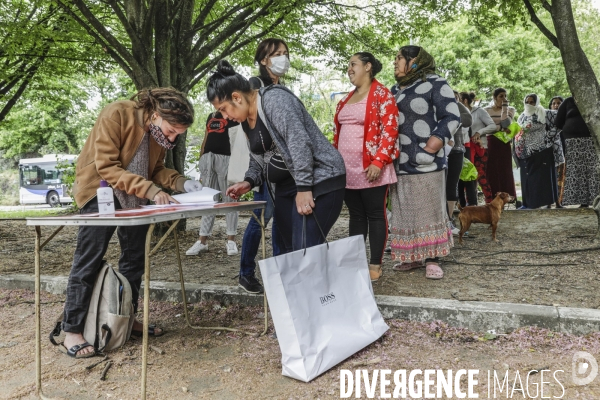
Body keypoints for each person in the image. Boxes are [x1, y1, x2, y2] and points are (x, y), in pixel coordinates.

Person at [60, 88, 200, 358]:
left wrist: (182, 183)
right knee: (88, 259)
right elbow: (107, 166)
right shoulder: (118, 113)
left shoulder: (159, 134)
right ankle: (72, 330)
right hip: (98, 191)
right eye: (171, 131)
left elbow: (156, 169)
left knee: (135, 259)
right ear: (156, 115)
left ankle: (126, 319)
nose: (172, 138)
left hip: (135, 196)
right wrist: (152, 191)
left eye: (177, 135)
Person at [207, 60, 346, 254]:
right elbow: (258, 159)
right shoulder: (246, 122)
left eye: (222, 108)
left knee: (305, 248)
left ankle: (324, 284)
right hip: (285, 187)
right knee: (287, 250)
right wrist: (248, 181)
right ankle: (296, 285)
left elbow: (298, 143)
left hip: (318, 179)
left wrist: (304, 188)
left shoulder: (274, 100)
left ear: (236, 97)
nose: (224, 117)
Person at [389, 45, 459, 279]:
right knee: (405, 211)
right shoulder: (395, 89)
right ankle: (412, 257)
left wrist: (431, 147)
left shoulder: (436, 82)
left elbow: (451, 115)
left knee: (429, 210)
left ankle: (432, 258)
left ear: (415, 61)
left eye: (400, 58)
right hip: (400, 163)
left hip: (427, 161)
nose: (395, 62)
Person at [333, 52, 399, 282]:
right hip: (346, 170)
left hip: (371, 167)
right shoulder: (347, 97)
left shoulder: (382, 95)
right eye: (348, 65)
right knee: (356, 216)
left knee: (375, 215)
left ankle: (375, 265)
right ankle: (356, 261)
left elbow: (390, 130)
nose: (349, 69)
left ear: (368, 66)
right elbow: (337, 133)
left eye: (353, 64)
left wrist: (379, 161)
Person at [238, 38, 289, 294]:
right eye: (276, 54)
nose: (283, 57)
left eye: (285, 53)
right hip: (266, 168)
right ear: (263, 60)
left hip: (286, 171)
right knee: (261, 218)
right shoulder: (255, 88)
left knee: (281, 220)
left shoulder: (283, 90)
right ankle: (245, 273)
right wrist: (252, 176)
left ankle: (280, 275)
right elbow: (255, 141)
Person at [185, 112, 240, 256]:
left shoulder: (235, 115)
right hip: (208, 159)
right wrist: (201, 158)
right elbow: (206, 137)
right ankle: (202, 241)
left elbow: (240, 141)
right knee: (208, 200)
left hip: (227, 159)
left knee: (230, 200)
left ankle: (231, 240)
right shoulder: (211, 115)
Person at [514, 93, 558, 209]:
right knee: (526, 178)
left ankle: (534, 204)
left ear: (536, 102)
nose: (529, 104)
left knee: (536, 179)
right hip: (523, 151)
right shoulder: (522, 116)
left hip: (539, 151)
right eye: (527, 102)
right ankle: (526, 203)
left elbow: (559, 123)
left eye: (532, 102)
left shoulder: (544, 112)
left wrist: (548, 137)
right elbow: (518, 130)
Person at [555, 96, 600, 207]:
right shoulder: (568, 102)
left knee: (593, 171)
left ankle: (596, 200)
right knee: (577, 172)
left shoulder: (595, 98)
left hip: (592, 141)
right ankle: (583, 202)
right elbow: (558, 122)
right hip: (573, 143)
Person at [459, 91, 496, 207]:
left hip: (480, 147)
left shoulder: (479, 111)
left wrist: (479, 132)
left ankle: (490, 203)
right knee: (467, 177)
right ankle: (470, 205)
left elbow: (493, 126)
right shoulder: (459, 113)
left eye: (458, 99)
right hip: (466, 148)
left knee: (480, 175)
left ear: (465, 100)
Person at [484, 88, 517, 202]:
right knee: (492, 169)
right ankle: (493, 196)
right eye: (501, 96)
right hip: (491, 142)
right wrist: (500, 129)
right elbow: (488, 127)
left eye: (505, 96)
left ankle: (508, 196)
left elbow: (505, 123)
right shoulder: (486, 110)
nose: (504, 98)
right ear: (495, 98)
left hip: (504, 142)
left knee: (505, 169)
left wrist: (504, 108)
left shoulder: (510, 109)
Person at [446, 90, 473, 234]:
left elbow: (468, 120)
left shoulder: (456, 105)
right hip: (435, 151)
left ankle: (448, 220)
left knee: (452, 186)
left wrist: (454, 104)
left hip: (455, 150)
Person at [548, 96, 565, 207]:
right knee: (549, 177)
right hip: (550, 152)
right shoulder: (546, 118)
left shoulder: (566, 118)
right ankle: (549, 201)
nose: (556, 105)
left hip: (563, 152)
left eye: (559, 103)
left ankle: (559, 201)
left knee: (560, 178)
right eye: (554, 103)